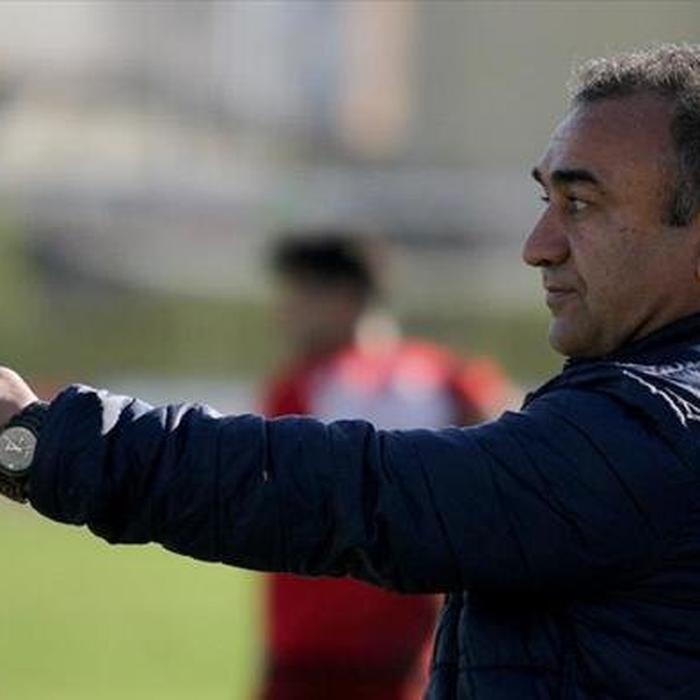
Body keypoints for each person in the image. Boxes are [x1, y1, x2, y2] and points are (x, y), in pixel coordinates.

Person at [4, 43, 700, 698]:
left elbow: (355, 491)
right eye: (546, 200)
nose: (538, 246)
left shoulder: (646, 431)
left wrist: (38, 440)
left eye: (580, 204)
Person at [260, 232, 509, 700]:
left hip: (309, 644)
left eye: (298, 297)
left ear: (342, 299)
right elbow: (510, 471)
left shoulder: (303, 386)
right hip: (407, 645)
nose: (284, 313)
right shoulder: (450, 377)